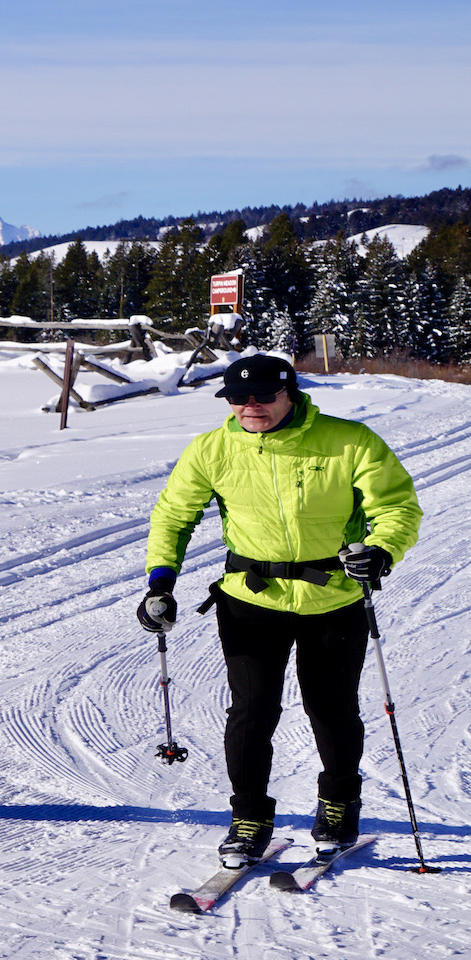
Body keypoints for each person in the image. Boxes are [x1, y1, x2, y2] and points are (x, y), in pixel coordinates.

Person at [137, 354, 420, 867]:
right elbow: (173, 515)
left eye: (264, 396)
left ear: (290, 393)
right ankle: (249, 817)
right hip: (251, 599)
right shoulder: (212, 449)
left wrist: (381, 551)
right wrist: (161, 580)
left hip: (333, 597)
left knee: (331, 709)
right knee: (251, 711)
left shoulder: (349, 441)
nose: (251, 407)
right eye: (238, 398)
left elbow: (397, 506)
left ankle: (337, 808)